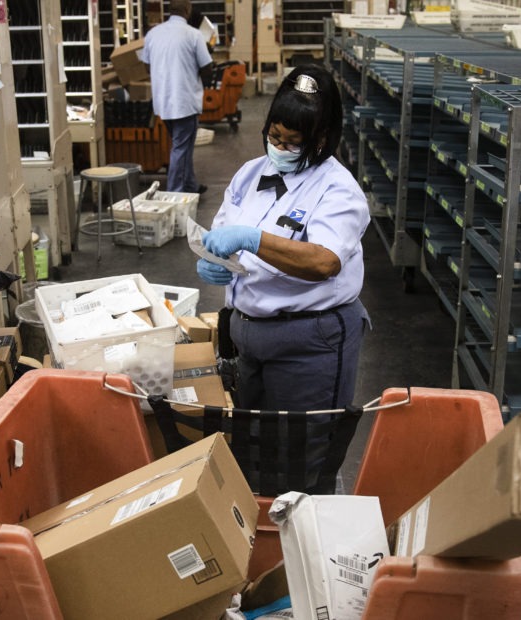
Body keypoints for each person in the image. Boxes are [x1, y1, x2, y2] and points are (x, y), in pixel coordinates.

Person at [196, 65, 370, 412]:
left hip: (307, 344)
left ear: (321, 139)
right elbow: (219, 234)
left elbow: (324, 262)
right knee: (256, 443)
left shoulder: (337, 189)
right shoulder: (250, 174)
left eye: (293, 143)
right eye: (274, 136)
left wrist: (252, 239)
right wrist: (213, 261)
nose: (279, 147)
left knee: (304, 448)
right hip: (248, 339)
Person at [140, 0, 212, 193]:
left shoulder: (153, 34)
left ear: (169, 10)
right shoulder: (193, 35)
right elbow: (207, 68)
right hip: (185, 101)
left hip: (163, 102)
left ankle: (190, 184)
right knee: (180, 148)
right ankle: (175, 193)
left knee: (183, 145)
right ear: (187, 10)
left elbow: (147, 66)